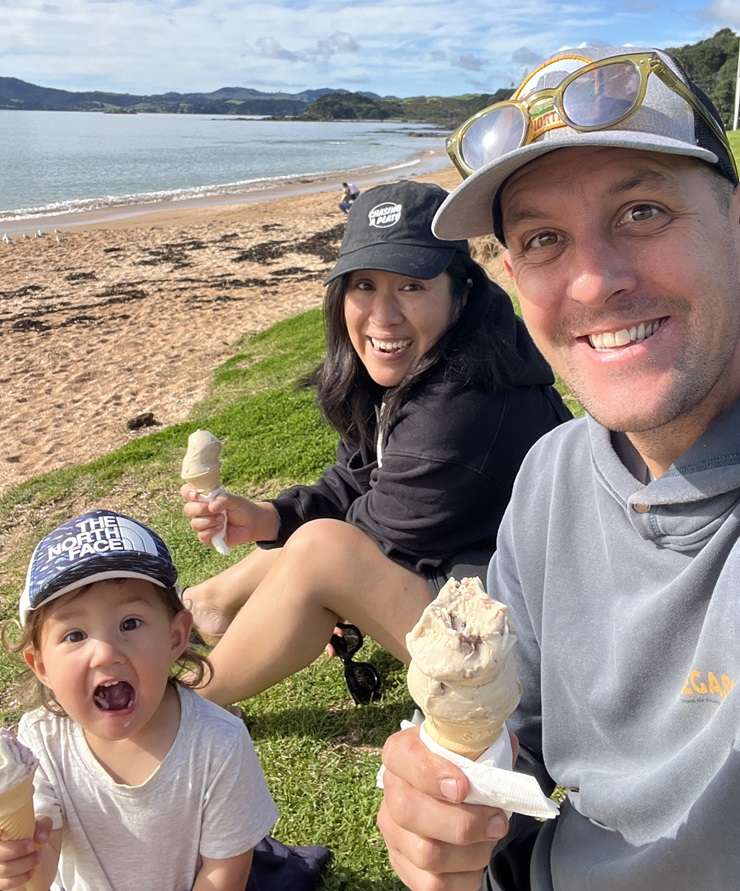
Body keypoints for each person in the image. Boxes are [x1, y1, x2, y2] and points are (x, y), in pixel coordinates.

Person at [377, 46, 740, 891]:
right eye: (543, 239)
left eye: (643, 211)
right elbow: (523, 740)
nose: (593, 282)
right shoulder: (552, 477)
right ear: (510, 275)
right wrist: (453, 798)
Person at [180, 179, 571, 707]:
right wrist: (269, 517)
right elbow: (358, 477)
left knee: (323, 553)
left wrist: (331, 593)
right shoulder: (419, 362)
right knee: (320, 548)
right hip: (480, 584)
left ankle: (187, 711)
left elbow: (361, 540)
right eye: (364, 285)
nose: (383, 316)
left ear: (461, 293)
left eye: (411, 286)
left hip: (530, 649)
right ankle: (210, 603)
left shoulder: (466, 403)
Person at [0, 509, 277, 891]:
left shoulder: (219, 744)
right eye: (75, 635)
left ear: (176, 637)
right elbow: (43, 861)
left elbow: (222, 873)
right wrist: (17, 863)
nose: (105, 653)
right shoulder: (41, 743)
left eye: (130, 623)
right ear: (41, 665)